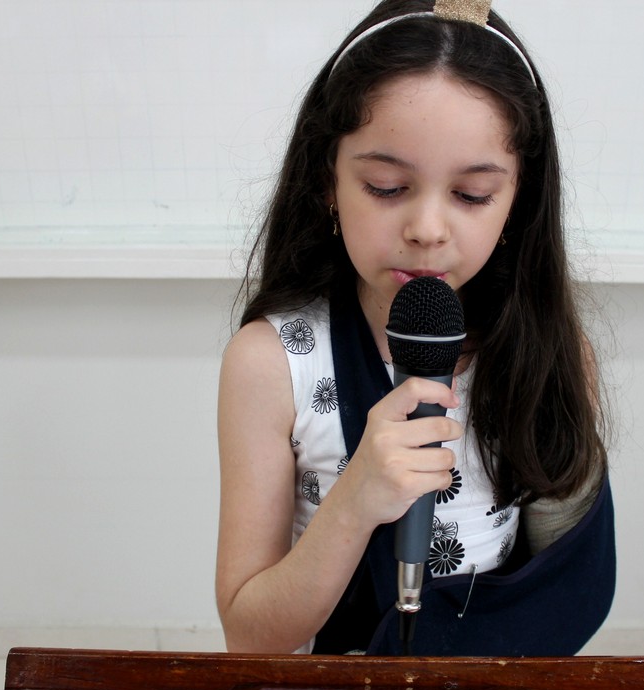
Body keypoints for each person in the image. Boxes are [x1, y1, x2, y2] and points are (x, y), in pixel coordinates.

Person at [215, 0, 615, 656]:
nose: (427, 230)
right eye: (386, 186)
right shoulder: (273, 363)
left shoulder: (550, 355)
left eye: (472, 195)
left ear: (518, 200)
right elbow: (250, 637)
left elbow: (570, 585)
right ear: (327, 180)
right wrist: (355, 501)